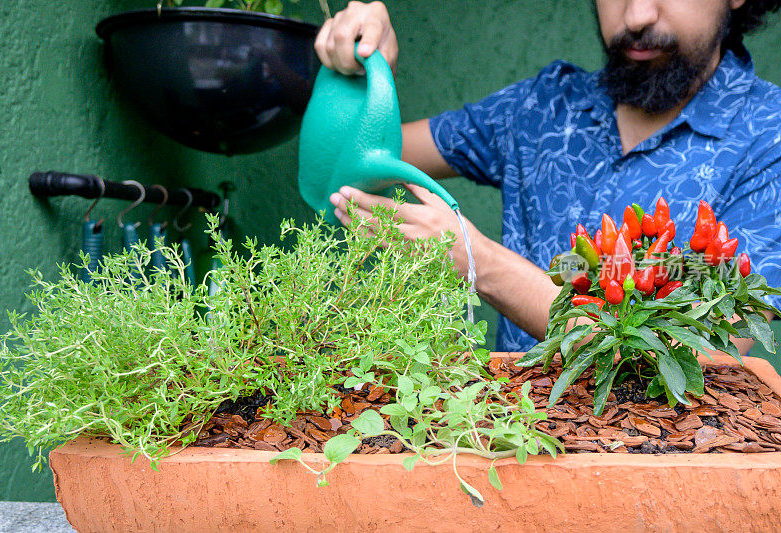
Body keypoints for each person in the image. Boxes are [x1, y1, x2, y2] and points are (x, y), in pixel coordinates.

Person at [316, 0, 781, 355]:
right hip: (508, 446)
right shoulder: (544, 106)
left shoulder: (770, 139)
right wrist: (366, 69)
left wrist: (481, 262)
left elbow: (689, 356)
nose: (636, 16)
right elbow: (351, 160)